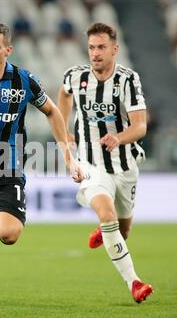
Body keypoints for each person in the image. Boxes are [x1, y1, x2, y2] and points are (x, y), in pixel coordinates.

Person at [0, 21, 82, 318]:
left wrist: (68, 156)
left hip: (6, 168)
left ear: (8, 50)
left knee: (10, 233)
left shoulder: (23, 81)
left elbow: (52, 111)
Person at [57, 22, 153, 303]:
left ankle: (105, 229)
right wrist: (64, 130)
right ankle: (134, 283)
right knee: (108, 215)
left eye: (101, 47)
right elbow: (63, 94)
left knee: (122, 231)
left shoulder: (127, 80)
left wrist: (118, 138)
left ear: (114, 49)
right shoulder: (75, 76)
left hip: (125, 166)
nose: (95, 53)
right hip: (91, 164)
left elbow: (140, 126)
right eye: (91, 48)